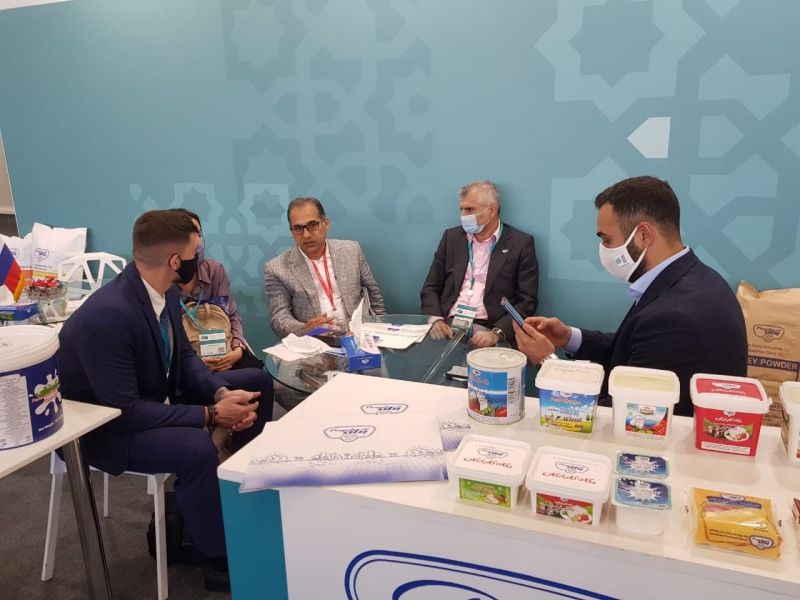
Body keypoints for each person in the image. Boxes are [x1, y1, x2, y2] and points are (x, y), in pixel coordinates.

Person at [58, 210, 274, 592]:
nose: (200, 256)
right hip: (101, 429)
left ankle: (231, 485)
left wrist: (221, 394)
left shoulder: (163, 290)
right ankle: (217, 558)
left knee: (257, 381)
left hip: (148, 397)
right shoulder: (108, 316)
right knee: (195, 450)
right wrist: (212, 415)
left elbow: (185, 359)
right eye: (196, 250)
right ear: (176, 260)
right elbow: (125, 412)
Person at [513, 176, 747, 416]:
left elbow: (623, 413)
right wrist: (568, 337)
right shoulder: (693, 279)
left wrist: (548, 362)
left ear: (643, 235)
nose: (603, 249)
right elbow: (633, 348)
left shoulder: (677, 316)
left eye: (607, 240)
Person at [420, 180, 539, 347]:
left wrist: (497, 333)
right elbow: (431, 287)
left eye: (470, 209)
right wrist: (436, 320)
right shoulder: (451, 238)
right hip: (448, 324)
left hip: (491, 327)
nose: (464, 216)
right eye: (461, 209)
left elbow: (527, 301)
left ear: (491, 210)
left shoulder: (520, 243)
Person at [264, 197, 386, 338]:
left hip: (360, 333)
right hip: (316, 340)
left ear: (326, 223)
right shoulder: (276, 268)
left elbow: (374, 295)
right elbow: (279, 318)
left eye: (312, 225)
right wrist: (305, 328)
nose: (306, 235)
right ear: (292, 232)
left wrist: (381, 329)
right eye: (298, 228)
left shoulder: (352, 250)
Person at [172, 208, 262, 371]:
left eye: (199, 234)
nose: (199, 242)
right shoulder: (165, 280)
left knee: (259, 376)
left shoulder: (215, 270)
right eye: (192, 236)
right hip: (186, 361)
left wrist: (237, 349)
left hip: (226, 352)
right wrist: (193, 361)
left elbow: (232, 315)